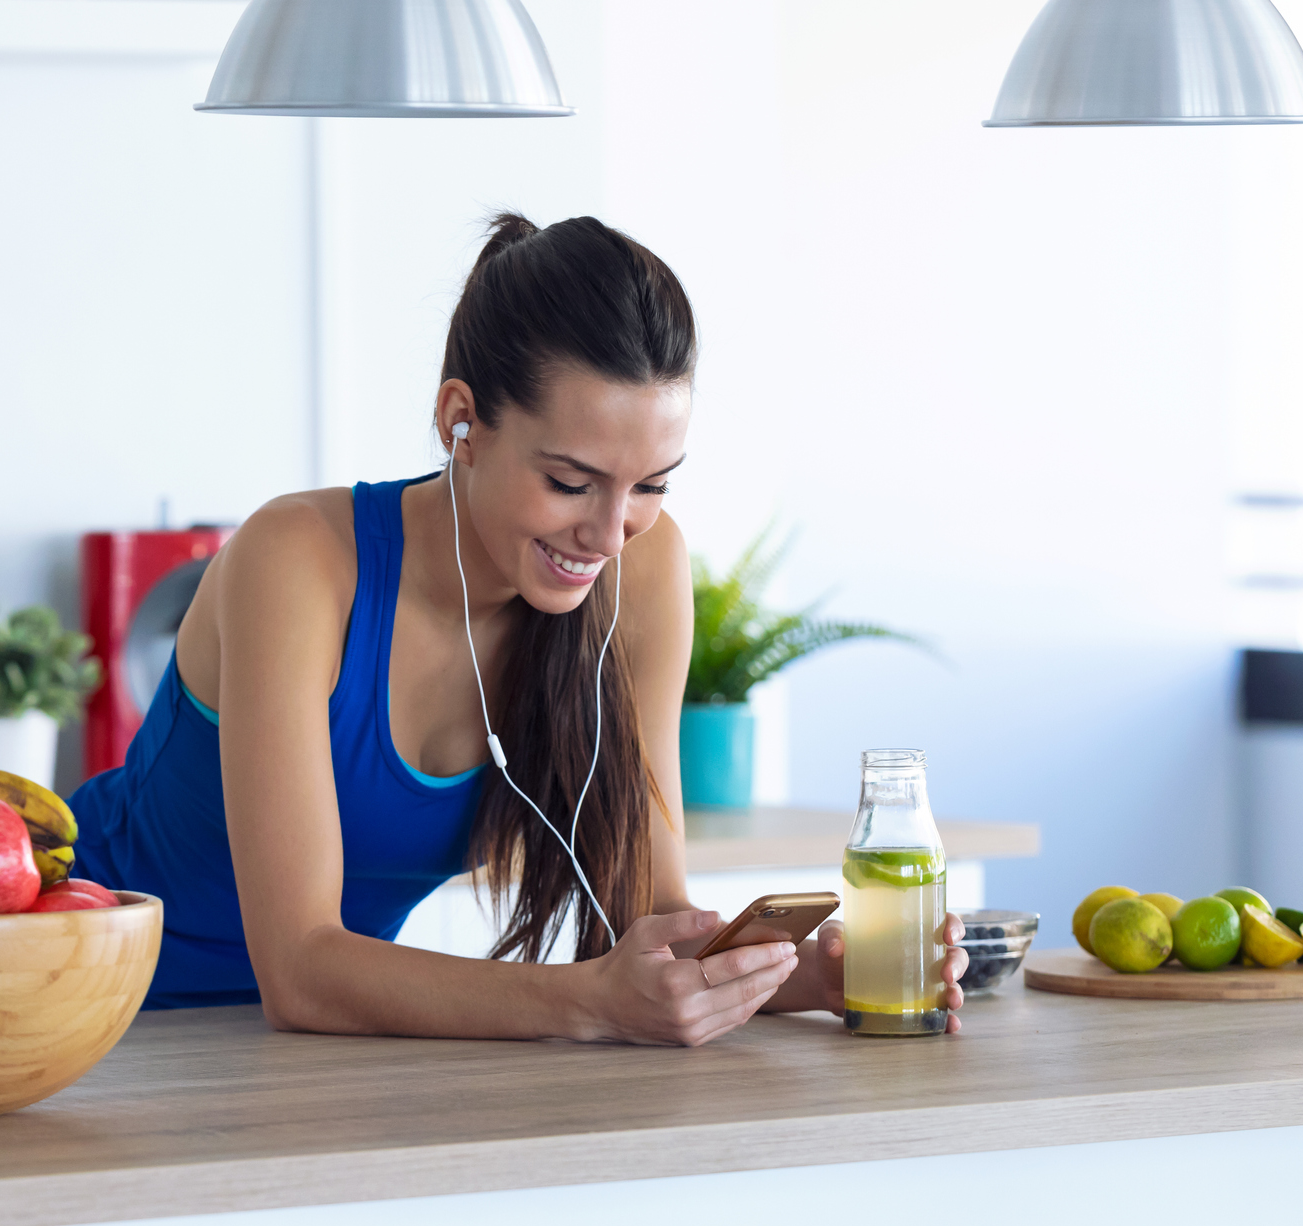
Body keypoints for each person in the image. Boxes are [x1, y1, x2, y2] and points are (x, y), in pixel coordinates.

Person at [69, 212, 966, 1043]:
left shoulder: (640, 572)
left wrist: (798, 975)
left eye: (651, 484)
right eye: (571, 482)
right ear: (461, 420)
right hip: (72, 993)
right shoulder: (298, 558)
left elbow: (646, 913)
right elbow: (301, 971)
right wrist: (589, 1003)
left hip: (303, 1048)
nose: (610, 531)